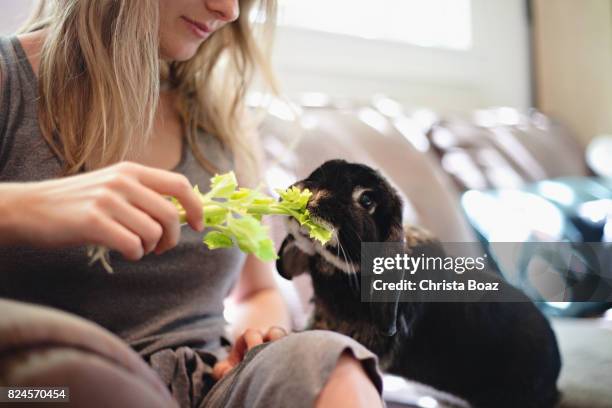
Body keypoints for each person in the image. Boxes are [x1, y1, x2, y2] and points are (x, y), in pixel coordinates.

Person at [0, 1, 384, 407]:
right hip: (48, 391)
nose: (229, 10)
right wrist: (25, 206)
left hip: (209, 387)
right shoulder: (10, 80)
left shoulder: (219, 120)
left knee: (331, 364)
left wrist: (252, 343)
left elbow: (256, 292)